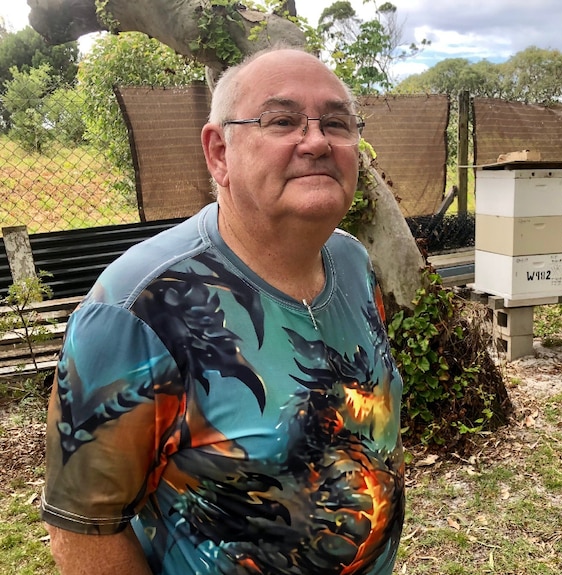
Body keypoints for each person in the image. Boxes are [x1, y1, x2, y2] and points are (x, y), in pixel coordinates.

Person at [40, 47, 405, 575]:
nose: (318, 141)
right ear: (218, 153)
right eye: (282, 120)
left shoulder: (351, 261)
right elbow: (83, 532)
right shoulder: (135, 309)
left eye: (337, 122)